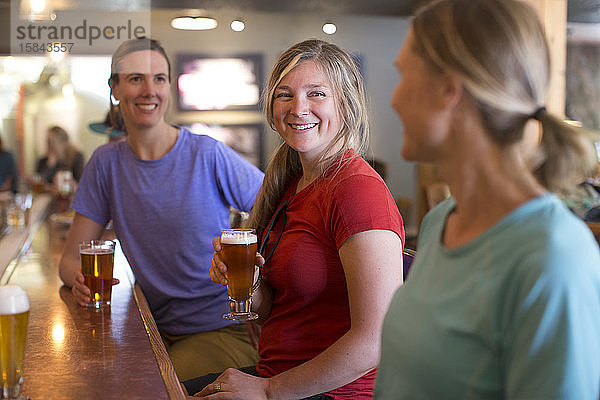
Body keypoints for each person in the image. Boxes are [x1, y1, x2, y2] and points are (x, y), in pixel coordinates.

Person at [375, 1, 600, 399]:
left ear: (448, 89)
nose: (393, 100)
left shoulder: (552, 255)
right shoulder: (440, 222)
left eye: (402, 76)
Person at [184, 39, 405, 399]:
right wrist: (247, 281)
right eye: (285, 95)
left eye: (316, 94)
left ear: (346, 105)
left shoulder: (357, 190)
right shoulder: (291, 184)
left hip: (334, 393)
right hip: (279, 377)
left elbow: (376, 339)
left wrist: (268, 390)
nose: (298, 108)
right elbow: (274, 307)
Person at [58, 37, 265, 381]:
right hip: (152, 328)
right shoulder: (105, 164)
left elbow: (280, 209)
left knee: (148, 388)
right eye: (135, 78)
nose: (149, 90)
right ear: (115, 88)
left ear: (169, 86)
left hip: (221, 330)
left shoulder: (206, 154)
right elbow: (68, 261)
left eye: (159, 78)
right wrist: (78, 282)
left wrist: (258, 279)